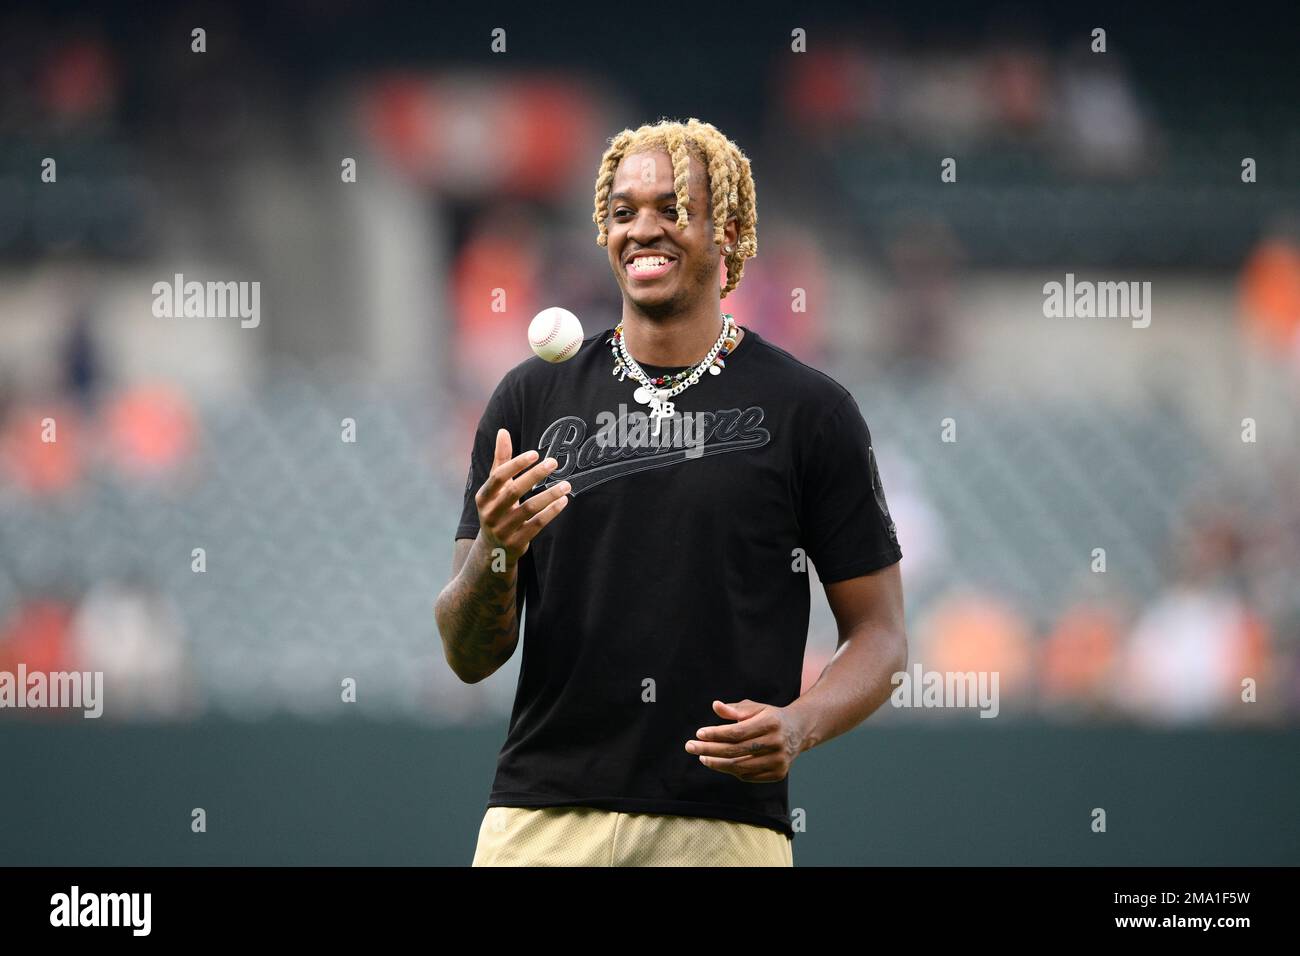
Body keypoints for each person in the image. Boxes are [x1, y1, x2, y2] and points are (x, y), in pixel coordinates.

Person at [435, 118, 906, 866]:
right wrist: (496, 547)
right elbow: (469, 654)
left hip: (721, 831)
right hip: (542, 823)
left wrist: (799, 724)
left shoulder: (810, 411)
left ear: (732, 230)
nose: (642, 229)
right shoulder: (530, 398)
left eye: (672, 209)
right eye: (623, 212)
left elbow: (880, 635)